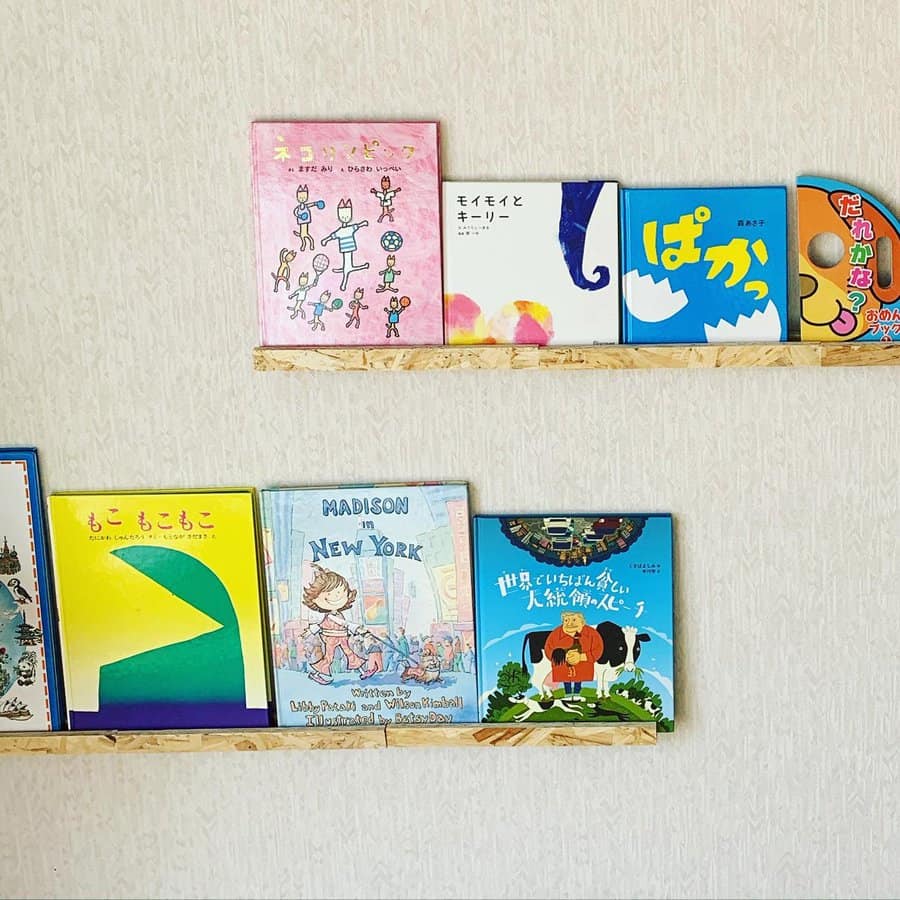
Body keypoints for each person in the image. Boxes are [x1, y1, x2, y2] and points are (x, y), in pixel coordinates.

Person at [302, 564, 367, 685]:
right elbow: (343, 623)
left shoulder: (338, 613)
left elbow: (344, 624)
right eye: (329, 595)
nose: (335, 597)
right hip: (331, 637)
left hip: (342, 636)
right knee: (329, 657)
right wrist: (356, 628)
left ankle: (363, 671)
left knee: (349, 652)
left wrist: (356, 629)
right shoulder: (329, 615)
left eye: (340, 592)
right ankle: (316, 674)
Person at [543, 612, 603, 699]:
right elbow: (548, 649)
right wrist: (563, 656)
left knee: (579, 677)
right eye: (566, 620)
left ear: (582, 622)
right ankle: (568, 694)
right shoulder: (556, 634)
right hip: (563, 665)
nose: (570, 624)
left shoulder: (591, 633)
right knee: (565, 678)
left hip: (583, 665)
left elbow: (598, 648)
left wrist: (582, 657)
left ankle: (577, 693)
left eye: (574, 620)